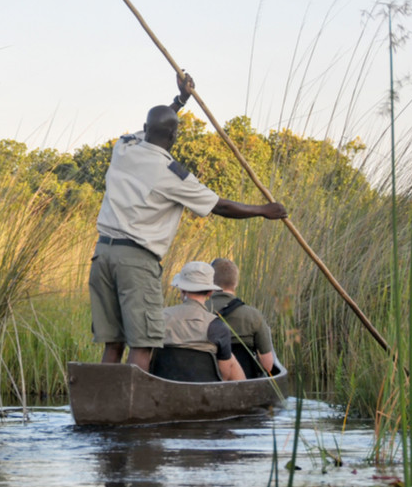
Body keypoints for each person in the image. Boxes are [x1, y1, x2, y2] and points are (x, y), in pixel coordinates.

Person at [89, 72, 287, 371]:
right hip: (136, 260)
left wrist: (180, 100)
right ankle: (133, 412)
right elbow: (219, 206)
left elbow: (156, 125)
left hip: (102, 254)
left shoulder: (124, 147)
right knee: (144, 343)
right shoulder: (171, 173)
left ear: (145, 129)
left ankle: (103, 406)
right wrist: (263, 210)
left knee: (113, 342)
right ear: (174, 137)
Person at [160, 261, 245, 381]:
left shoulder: (160, 317)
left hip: (162, 388)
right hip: (205, 394)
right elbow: (224, 375)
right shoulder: (218, 327)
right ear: (210, 292)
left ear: (182, 289)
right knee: (230, 359)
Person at [207, 258, 275, 375]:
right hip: (244, 382)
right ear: (236, 283)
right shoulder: (254, 315)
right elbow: (267, 364)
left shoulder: (199, 311)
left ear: (209, 282)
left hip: (208, 381)